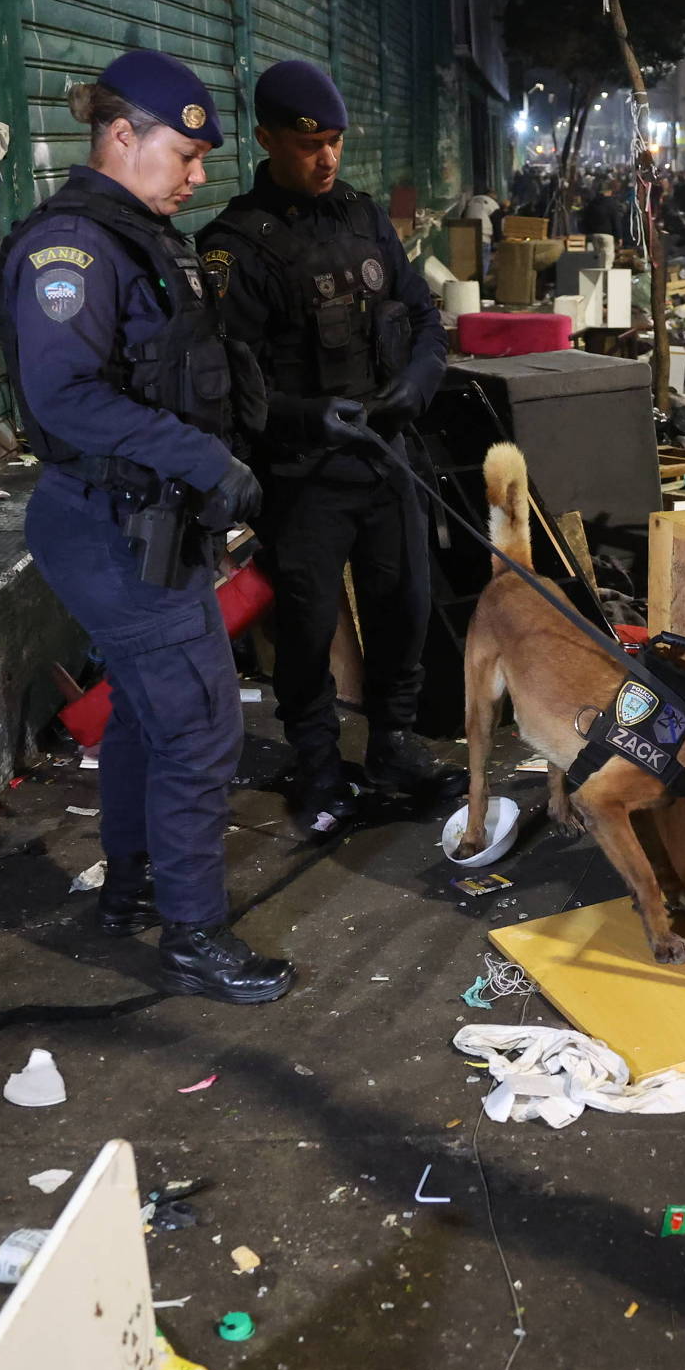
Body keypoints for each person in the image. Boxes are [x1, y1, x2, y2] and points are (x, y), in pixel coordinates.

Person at [0, 50, 293, 1005]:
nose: (200, 175)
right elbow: (67, 397)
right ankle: (194, 937)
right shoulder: (70, 252)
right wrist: (206, 463)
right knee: (201, 730)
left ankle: (129, 885)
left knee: (139, 711)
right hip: (111, 528)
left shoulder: (137, 239)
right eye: (187, 154)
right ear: (122, 137)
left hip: (142, 522)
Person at [197, 59, 454, 835]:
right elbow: (234, 392)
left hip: (386, 460)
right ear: (267, 138)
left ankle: (392, 748)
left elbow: (424, 315)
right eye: (310, 145)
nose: (327, 159)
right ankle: (315, 760)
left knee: (403, 606)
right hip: (304, 474)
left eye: (336, 142)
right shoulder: (234, 246)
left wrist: (418, 378)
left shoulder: (365, 217)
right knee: (308, 628)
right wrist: (312, 418)